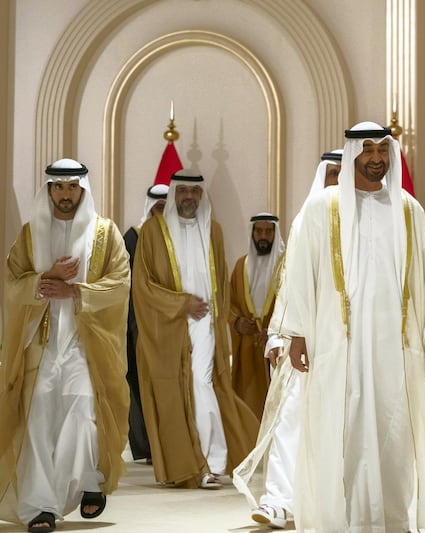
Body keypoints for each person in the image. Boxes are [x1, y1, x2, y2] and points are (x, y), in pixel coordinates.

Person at [277, 122, 425, 531]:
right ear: (351, 155)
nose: (377, 159)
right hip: (335, 342)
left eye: (383, 151)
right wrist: (296, 332)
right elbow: (300, 273)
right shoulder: (320, 208)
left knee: (393, 435)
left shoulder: (407, 208)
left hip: (395, 347)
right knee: (340, 432)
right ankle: (341, 521)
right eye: (368, 151)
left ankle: (393, 521)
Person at [0, 159, 130, 533]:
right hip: (40, 345)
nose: (65, 194)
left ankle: (89, 481)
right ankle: (41, 505)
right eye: (58, 187)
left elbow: (120, 284)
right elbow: (13, 283)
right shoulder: (29, 235)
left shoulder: (105, 234)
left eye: (72, 187)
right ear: (49, 190)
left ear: (82, 190)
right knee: (38, 416)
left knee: (85, 412)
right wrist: (45, 279)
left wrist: (75, 292)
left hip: (85, 344)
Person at [234, 149, 342, 529]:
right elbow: (289, 286)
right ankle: (278, 501)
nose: (337, 180)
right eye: (331, 173)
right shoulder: (305, 222)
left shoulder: (371, 223)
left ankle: (331, 498)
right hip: (306, 343)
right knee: (289, 418)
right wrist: (279, 335)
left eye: (344, 173)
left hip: (350, 346)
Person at [132, 169, 258, 489]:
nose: (189, 197)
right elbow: (143, 286)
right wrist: (180, 304)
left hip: (205, 323)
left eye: (195, 191)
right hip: (168, 325)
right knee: (174, 391)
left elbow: (220, 284)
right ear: (174, 194)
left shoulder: (212, 230)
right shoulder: (151, 231)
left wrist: (218, 320)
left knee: (202, 384)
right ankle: (186, 464)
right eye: (183, 191)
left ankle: (211, 461)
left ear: (202, 195)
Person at [123, 183, 168, 463]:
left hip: (168, 323)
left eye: (166, 207)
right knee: (140, 382)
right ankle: (146, 446)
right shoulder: (133, 238)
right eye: (158, 208)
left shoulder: (175, 237)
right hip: (137, 322)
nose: (162, 213)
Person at [228, 212, 285, 418]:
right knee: (248, 404)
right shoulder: (240, 266)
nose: (263, 236)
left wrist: (274, 331)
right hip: (247, 349)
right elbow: (229, 302)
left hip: (276, 348)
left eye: (268, 232)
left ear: (275, 233)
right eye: (259, 231)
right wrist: (237, 322)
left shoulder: (286, 266)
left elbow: (292, 303)